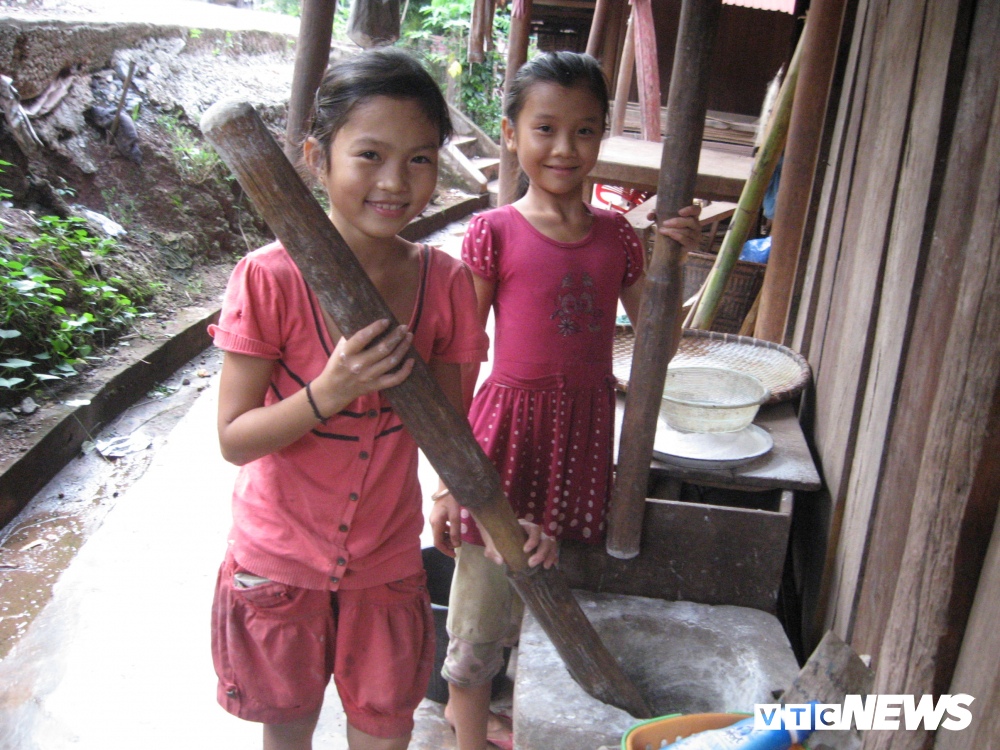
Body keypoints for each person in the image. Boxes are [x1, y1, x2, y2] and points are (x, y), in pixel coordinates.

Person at [208, 47, 488, 750]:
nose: (395, 181)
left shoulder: (447, 284)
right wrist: (329, 392)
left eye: (420, 159)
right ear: (315, 155)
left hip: (386, 562)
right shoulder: (268, 279)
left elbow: (451, 430)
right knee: (289, 728)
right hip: (278, 562)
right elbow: (234, 438)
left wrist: (459, 494)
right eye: (369, 154)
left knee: (383, 731)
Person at [428, 51, 703, 750]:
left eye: (584, 130)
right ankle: (467, 735)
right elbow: (464, 356)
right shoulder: (494, 232)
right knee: (481, 612)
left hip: (580, 439)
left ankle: (515, 720)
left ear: (602, 136)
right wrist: (445, 479)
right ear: (512, 133)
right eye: (545, 128)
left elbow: (657, 345)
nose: (564, 147)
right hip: (505, 440)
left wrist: (673, 259)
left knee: (551, 598)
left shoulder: (618, 238)